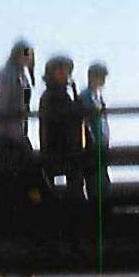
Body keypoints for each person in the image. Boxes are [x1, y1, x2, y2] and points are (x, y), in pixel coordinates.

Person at [0, 40, 38, 200]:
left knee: (18, 170)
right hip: (9, 131)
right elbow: (1, 101)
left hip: (16, 129)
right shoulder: (10, 75)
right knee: (13, 169)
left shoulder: (21, 75)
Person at [38, 55, 84, 198]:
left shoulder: (65, 95)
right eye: (60, 70)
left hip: (70, 151)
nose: (65, 74)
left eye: (66, 71)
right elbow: (59, 118)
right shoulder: (49, 96)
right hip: (56, 149)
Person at [80, 61, 110, 201]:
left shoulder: (97, 97)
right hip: (92, 149)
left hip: (100, 146)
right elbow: (87, 123)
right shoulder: (86, 97)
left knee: (103, 186)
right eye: (100, 76)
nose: (103, 80)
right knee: (96, 187)